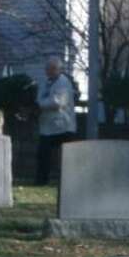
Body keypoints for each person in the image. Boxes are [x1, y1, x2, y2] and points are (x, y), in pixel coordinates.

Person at [35, 56, 77, 185]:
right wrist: (38, 104)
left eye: (51, 68)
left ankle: (67, 182)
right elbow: (39, 98)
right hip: (47, 127)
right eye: (47, 68)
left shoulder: (63, 82)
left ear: (58, 70)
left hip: (63, 127)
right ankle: (41, 181)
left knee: (65, 158)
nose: (48, 71)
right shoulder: (45, 82)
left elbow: (57, 102)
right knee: (43, 155)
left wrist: (39, 105)